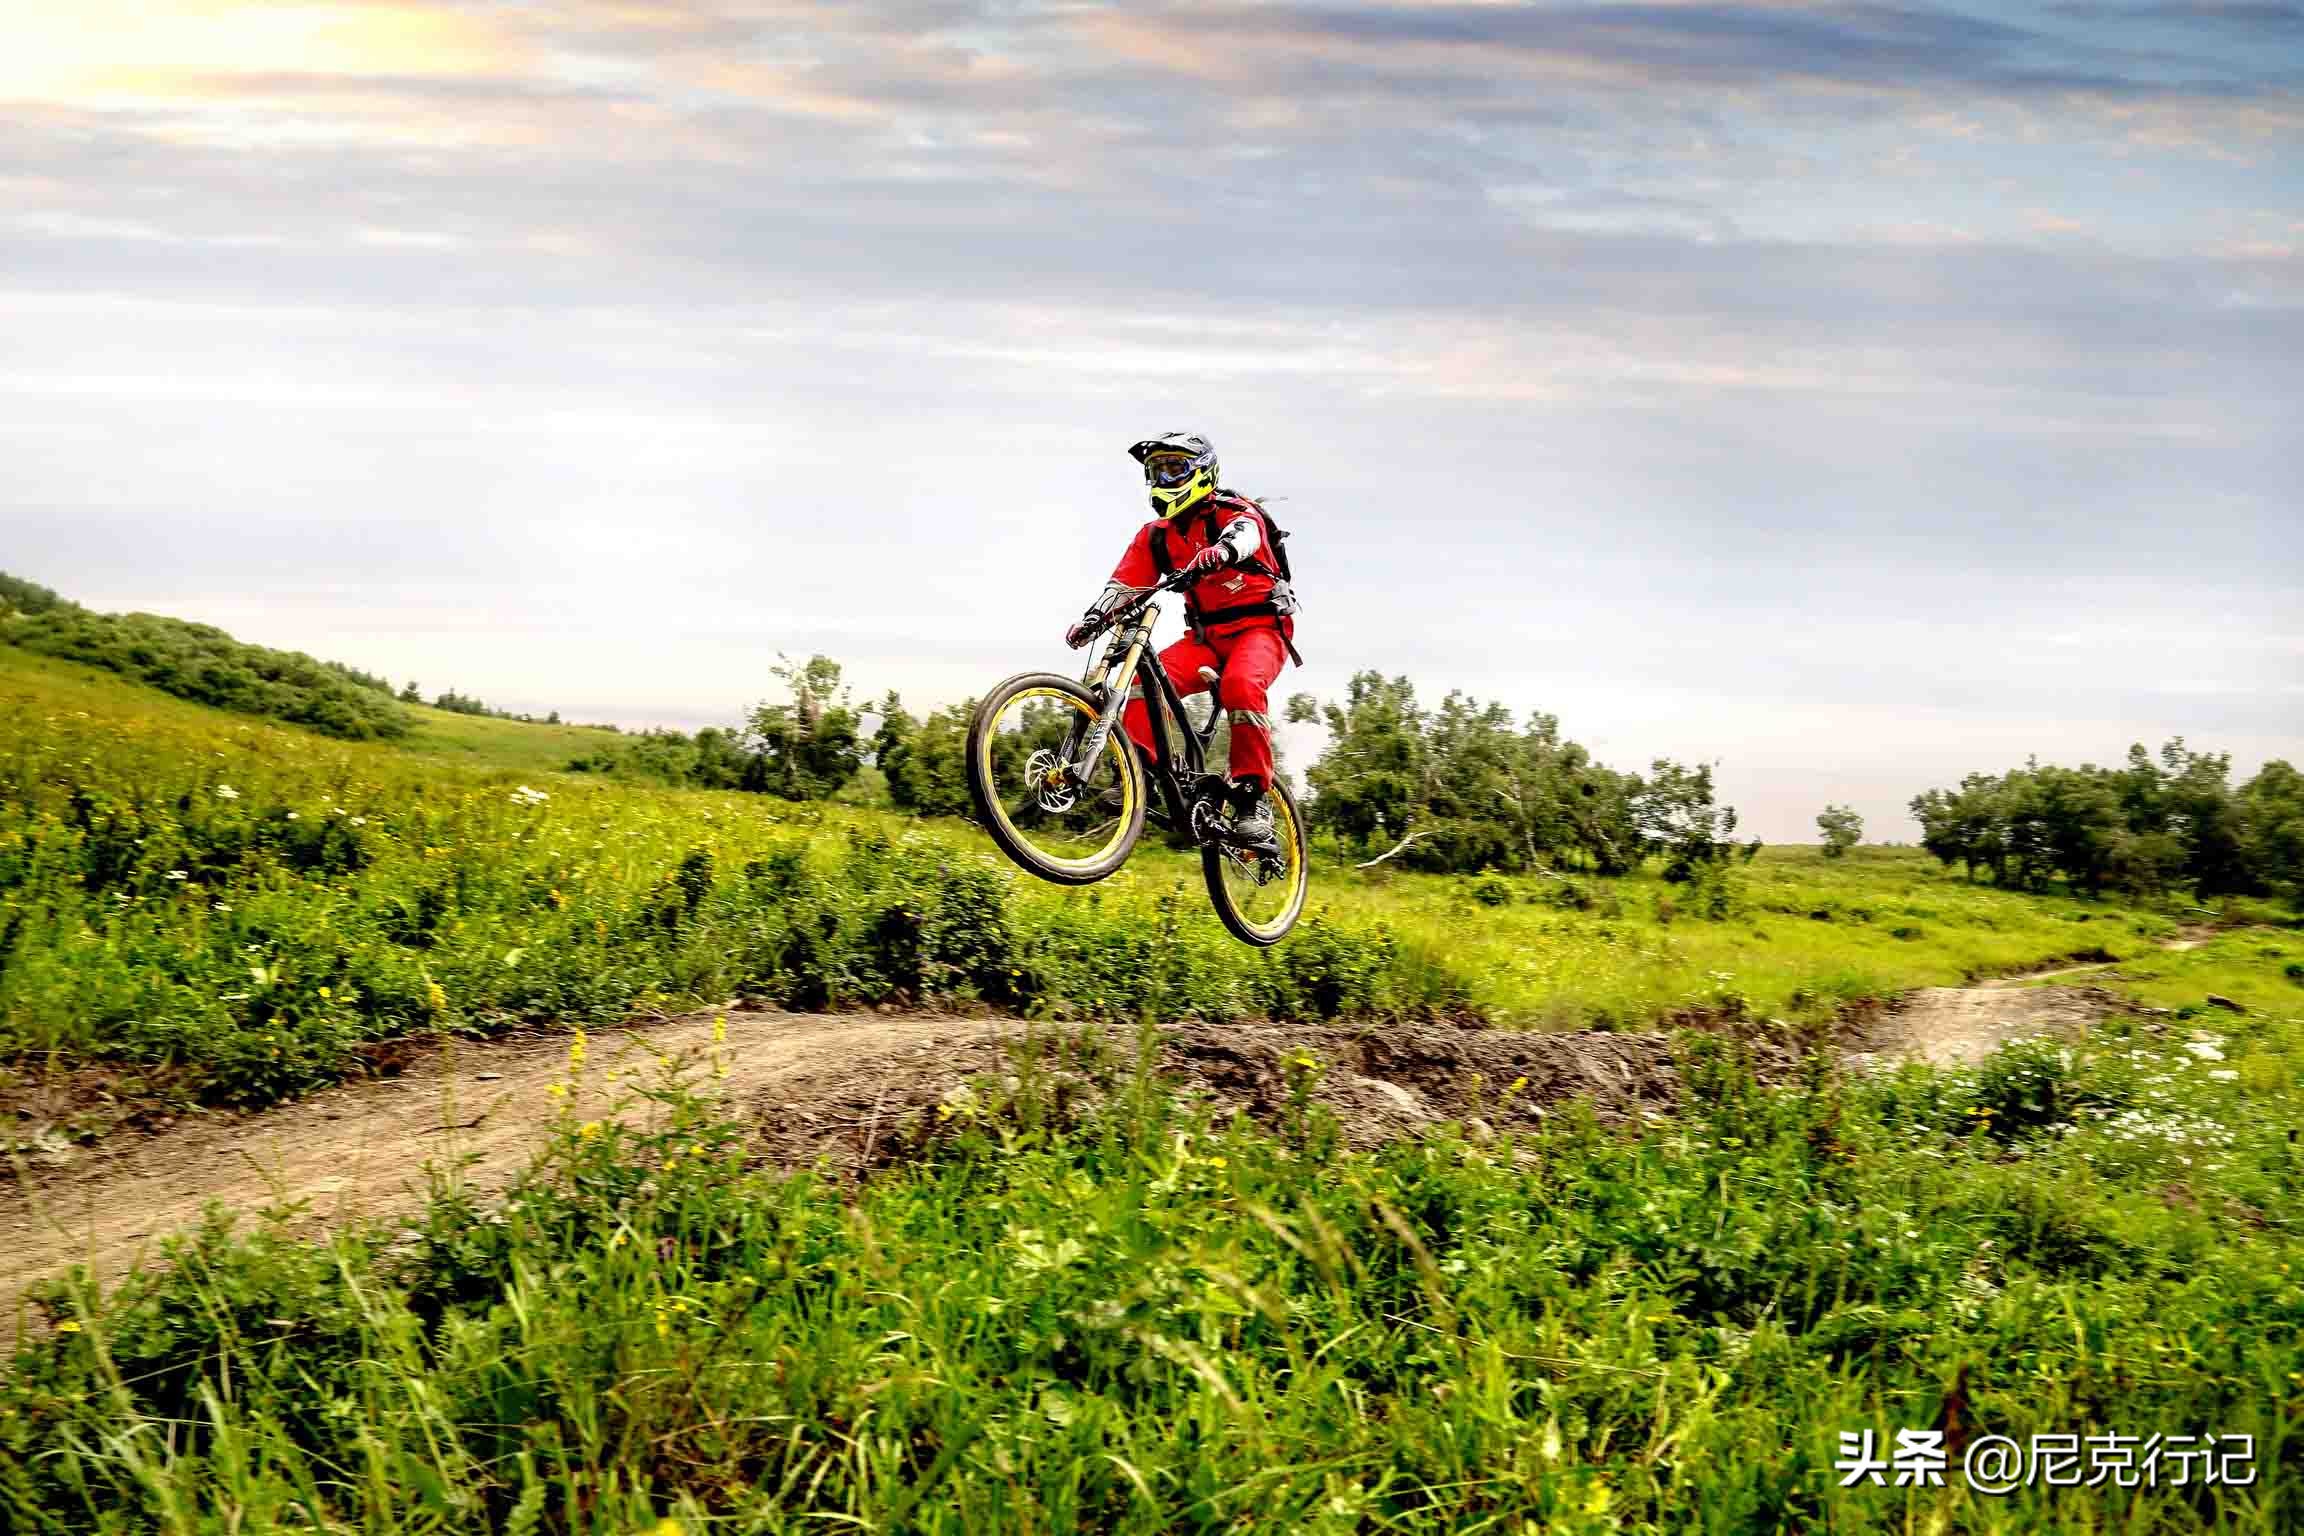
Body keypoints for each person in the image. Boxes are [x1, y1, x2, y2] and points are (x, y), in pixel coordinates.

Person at [1064, 432, 1296, 846]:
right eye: (1157, 470)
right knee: (1138, 684)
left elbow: (1248, 534)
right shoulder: (1156, 535)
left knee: (1240, 687)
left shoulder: (1232, 512)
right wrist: (1094, 618)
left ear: (1202, 470)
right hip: (1205, 638)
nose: (1164, 477)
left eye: (1175, 467)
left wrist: (1222, 552)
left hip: (1260, 630)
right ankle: (1142, 774)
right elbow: (1125, 585)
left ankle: (1251, 799)